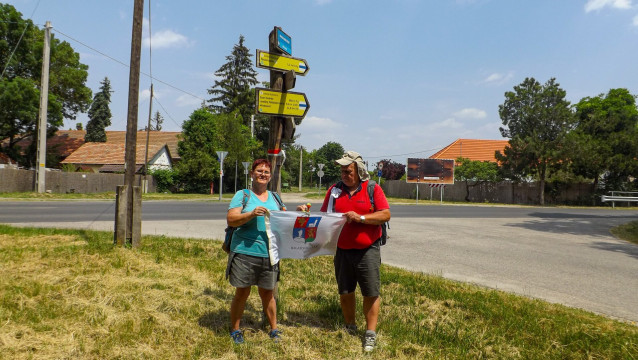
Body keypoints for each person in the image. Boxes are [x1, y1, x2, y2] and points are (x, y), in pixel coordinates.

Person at [317, 150, 391, 352]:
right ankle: (350, 326)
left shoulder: (372, 189)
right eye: (342, 171)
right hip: (342, 250)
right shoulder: (334, 190)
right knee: (345, 290)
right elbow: (324, 217)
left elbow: (385, 214)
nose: (344, 174)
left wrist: (361, 218)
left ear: (359, 170)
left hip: (367, 249)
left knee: (371, 291)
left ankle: (370, 333)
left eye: (348, 171)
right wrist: (305, 214)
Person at [226, 158, 306, 345]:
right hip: (245, 251)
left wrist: (299, 212)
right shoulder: (243, 195)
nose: (263, 174)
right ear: (252, 174)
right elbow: (231, 219)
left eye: (266, 172)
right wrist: (251, 214)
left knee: (268, 293)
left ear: (270, 176)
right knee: (242, 293)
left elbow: (285, 220)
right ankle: (236, 330)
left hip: (270, 253)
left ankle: (274, 329)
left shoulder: (275, 197)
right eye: (259, 171)